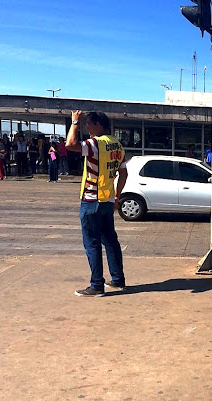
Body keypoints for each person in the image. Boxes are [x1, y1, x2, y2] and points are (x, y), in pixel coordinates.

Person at [66, 110, 127, 297]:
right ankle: (117, 280)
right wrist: (117, 196)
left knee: (92, 243)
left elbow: (70, 144)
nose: (87, 127)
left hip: (91, 199)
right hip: (107, 199)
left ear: (98, 125)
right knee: (110, 241)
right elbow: (123, 173)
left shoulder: (95, 144)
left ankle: (96, 285)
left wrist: (74, 122)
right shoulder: (117, 145)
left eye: (89, 124)